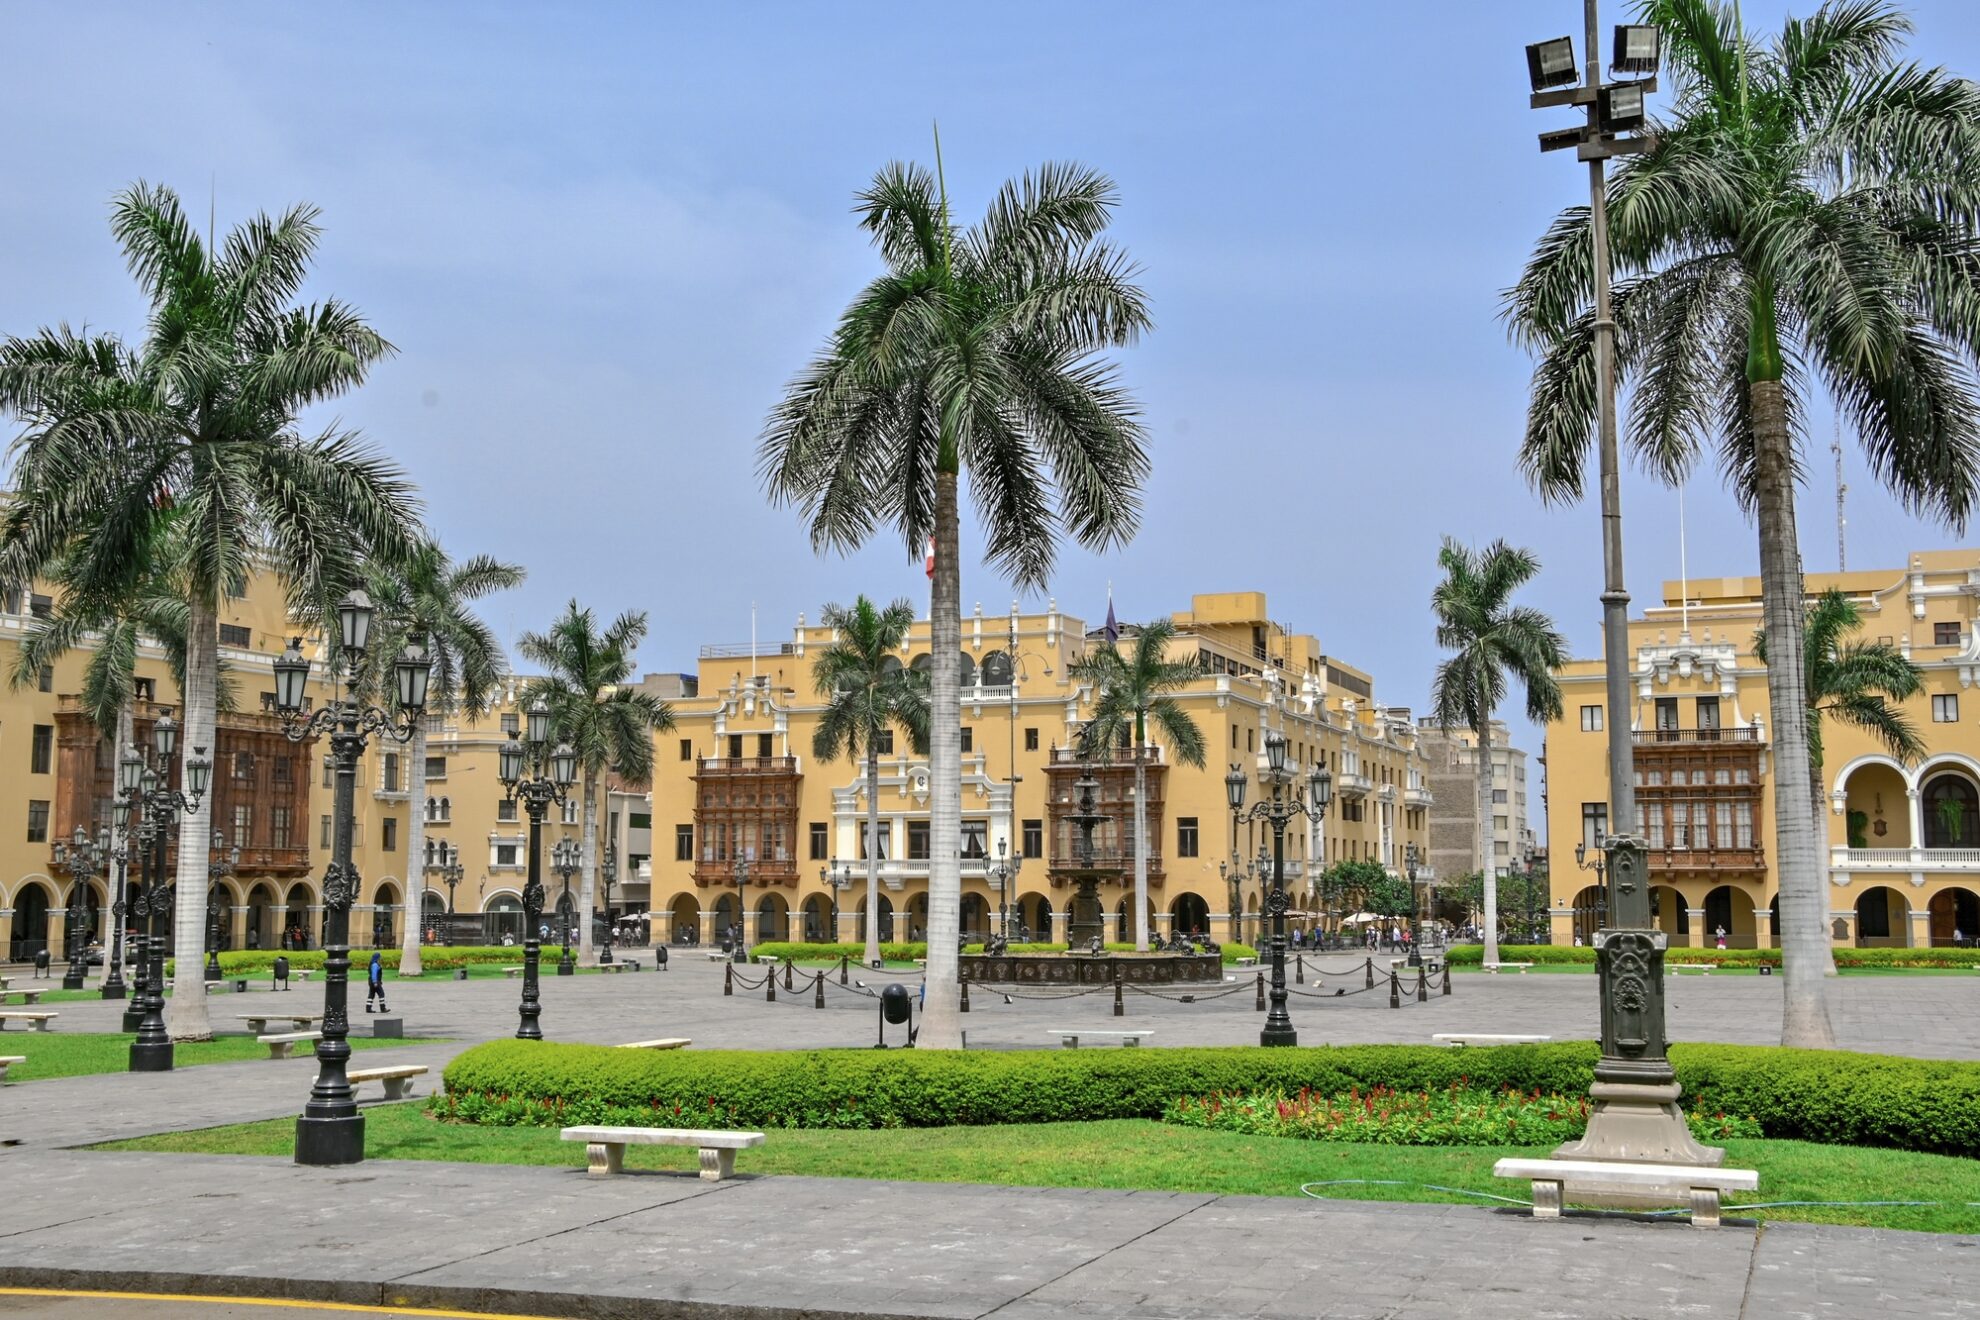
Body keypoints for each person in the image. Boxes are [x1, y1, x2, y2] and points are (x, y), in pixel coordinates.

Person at [364, 949, 388, 1014]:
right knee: (381, 993)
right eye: (379, 957)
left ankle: (368, 1008)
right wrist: (375, 982)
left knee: (371, 994)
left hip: (371, 981)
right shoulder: (375, 965)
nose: (380, 958)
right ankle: (383, 1008)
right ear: (377, 958)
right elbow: (374, 974)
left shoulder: (372, 963)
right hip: (375, 982)